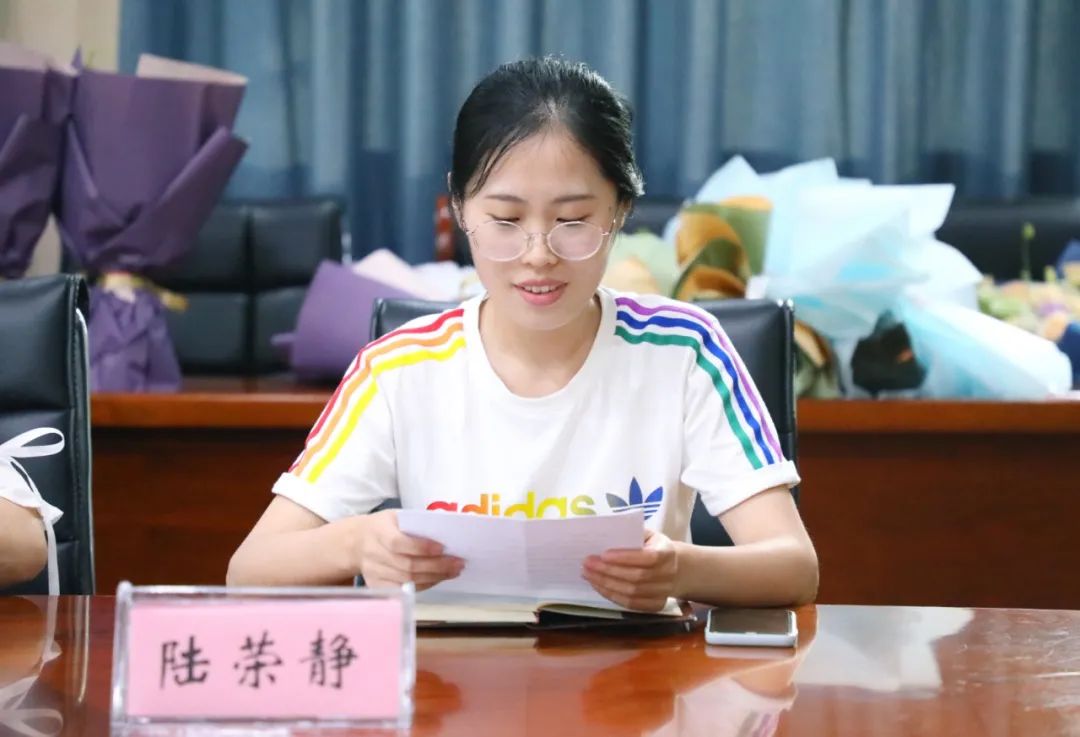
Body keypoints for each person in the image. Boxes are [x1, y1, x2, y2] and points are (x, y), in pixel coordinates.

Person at [229, 57, 818, 610]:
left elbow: (794, 566)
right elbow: (250, 568)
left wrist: (681, 570)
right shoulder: (397, 368)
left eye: (573, 220)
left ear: (620, 210)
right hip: (450, 679)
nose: (539, 255)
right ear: (461, 208)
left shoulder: (685, 351)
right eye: (506, 220)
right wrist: (356, 543)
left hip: (634, 675)